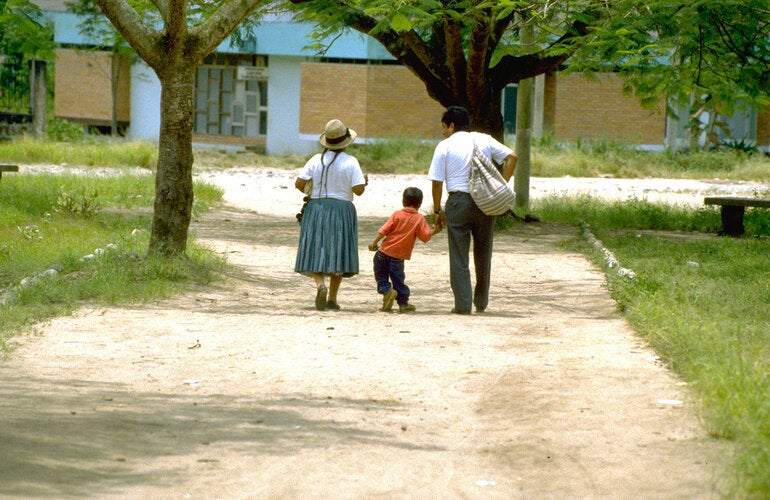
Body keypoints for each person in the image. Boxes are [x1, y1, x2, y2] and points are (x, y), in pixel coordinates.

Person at [427, 106, 518, 314]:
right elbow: (512, 156)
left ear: (451, 125)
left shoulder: (444, 146)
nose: (443, 132)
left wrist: (437, 212)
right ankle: (481, 301)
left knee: (459, 255)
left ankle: (462, 304)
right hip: (485, 202)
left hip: (459, 202)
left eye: (444, 127)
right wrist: (501, 186)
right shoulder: (484, 139)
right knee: (484, 252)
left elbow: (437, 182)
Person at [294, 119, 368, 311]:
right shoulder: (351, 162)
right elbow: (358, 190)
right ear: (346, 141)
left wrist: (313, 192)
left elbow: (299, 184)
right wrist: (365, 182)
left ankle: (320, 286)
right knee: (339, 250)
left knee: (315, 248)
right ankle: (333, 299)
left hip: (316, 208)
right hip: (342, 209)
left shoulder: (314, 160)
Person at [368, 187, 441, 313]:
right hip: (398, 257)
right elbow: (425, 237)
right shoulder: (419, 219)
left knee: (381, 277)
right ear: (420, 204)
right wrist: (435, 230)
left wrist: (374, 243)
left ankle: (387, 291)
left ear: (403, 201)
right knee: (398, 280)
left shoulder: (397, 214)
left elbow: (384, 231)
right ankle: (403, 304)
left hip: (382, 253)